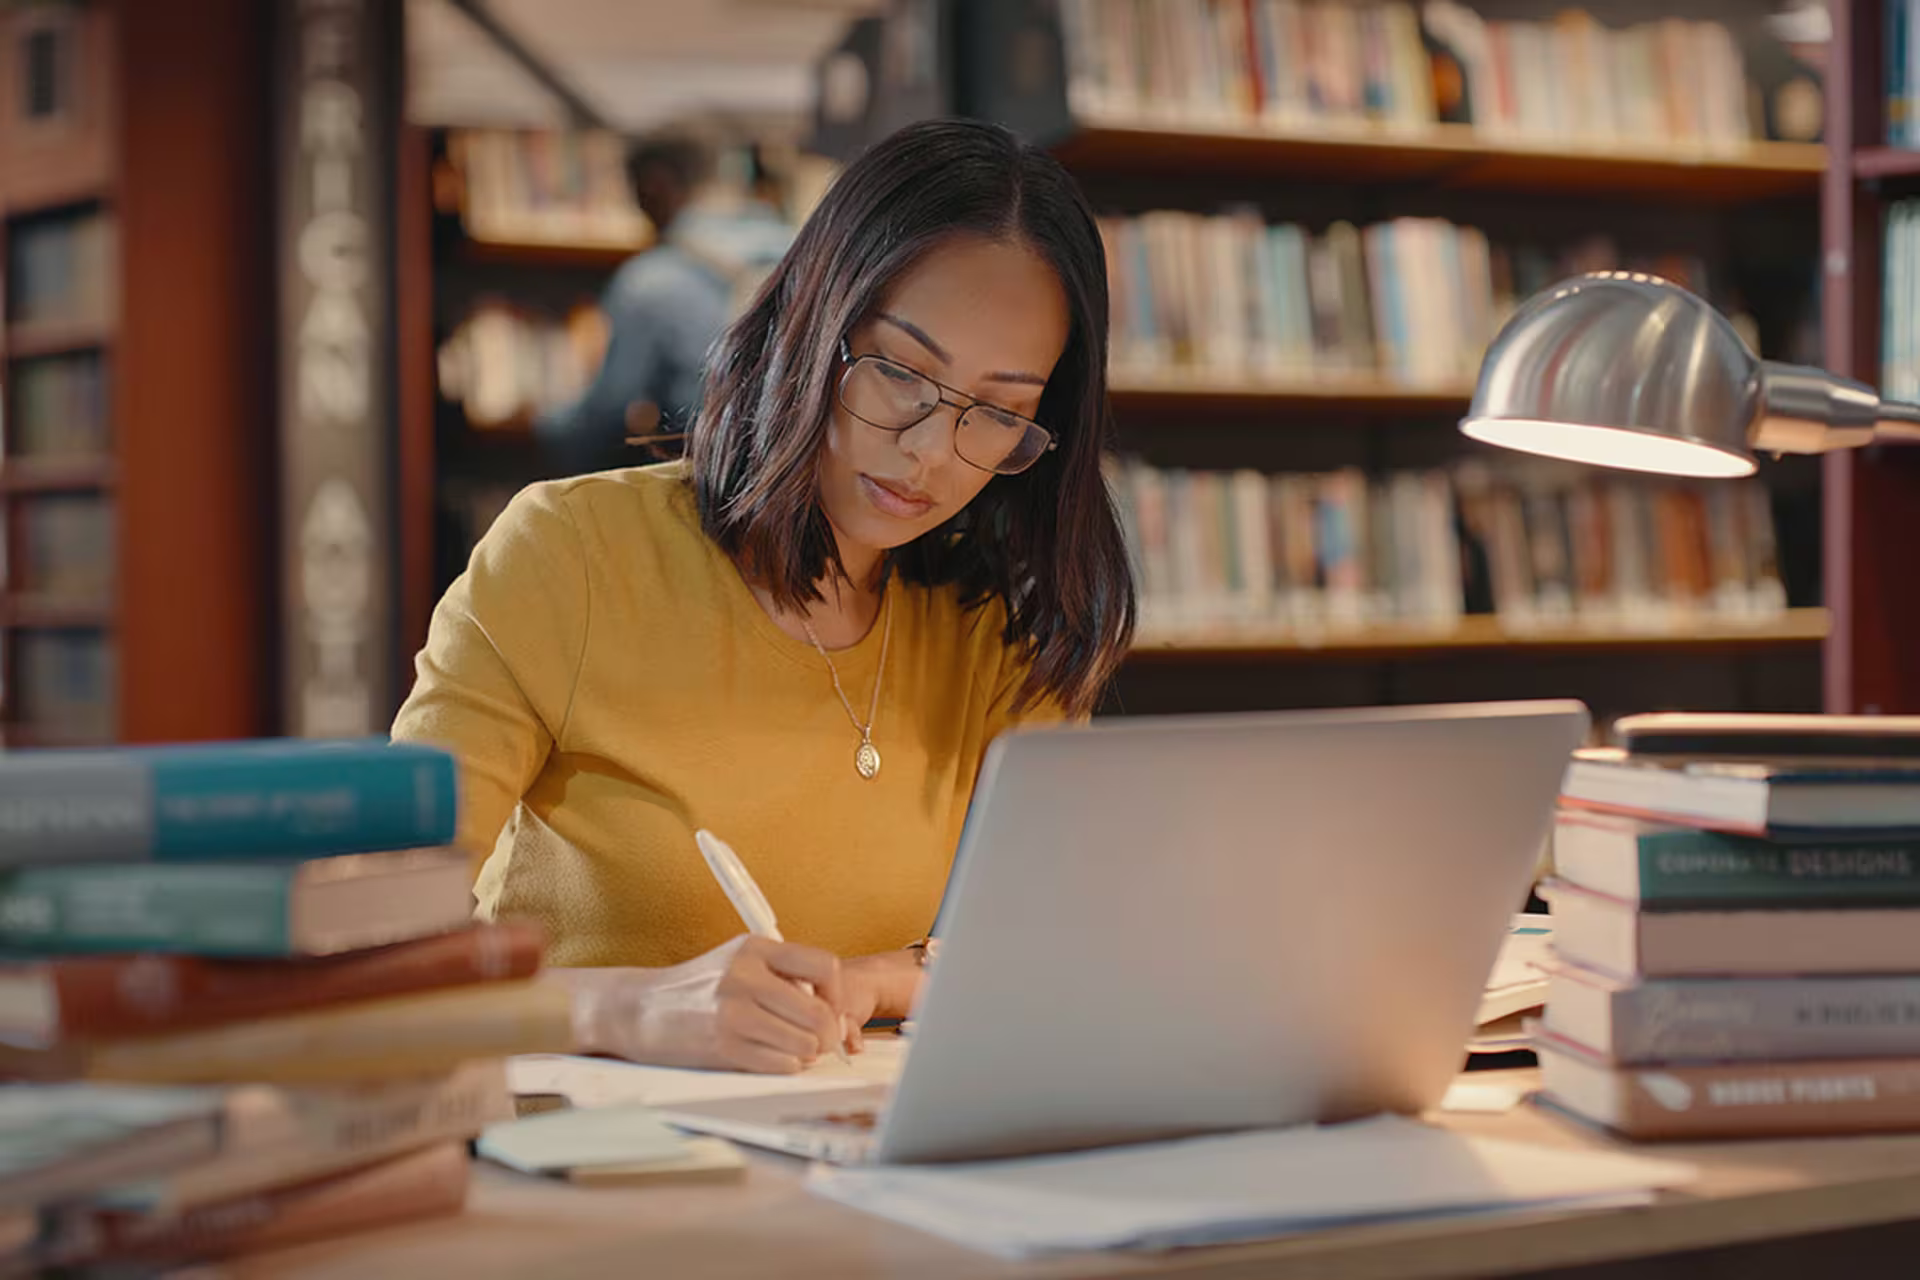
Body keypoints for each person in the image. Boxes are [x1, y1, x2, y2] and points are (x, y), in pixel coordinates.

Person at [392, 118, 1135, 1074]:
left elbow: (1042, 945)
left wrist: (874, 983)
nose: (929, 452)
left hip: (848, 1137)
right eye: (900, 372)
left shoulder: (1000, 629)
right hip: (579, 1137)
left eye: (997, 412)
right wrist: (627, 1008)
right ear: (810, 321)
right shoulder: (571, 553)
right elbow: (373, 948)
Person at [536, 125, 793, 475]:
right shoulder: (799, 246)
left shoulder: (650, 281)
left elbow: (606, 412)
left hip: (712, 476)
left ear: (653, 185)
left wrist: (548, 428)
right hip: (794, 470)